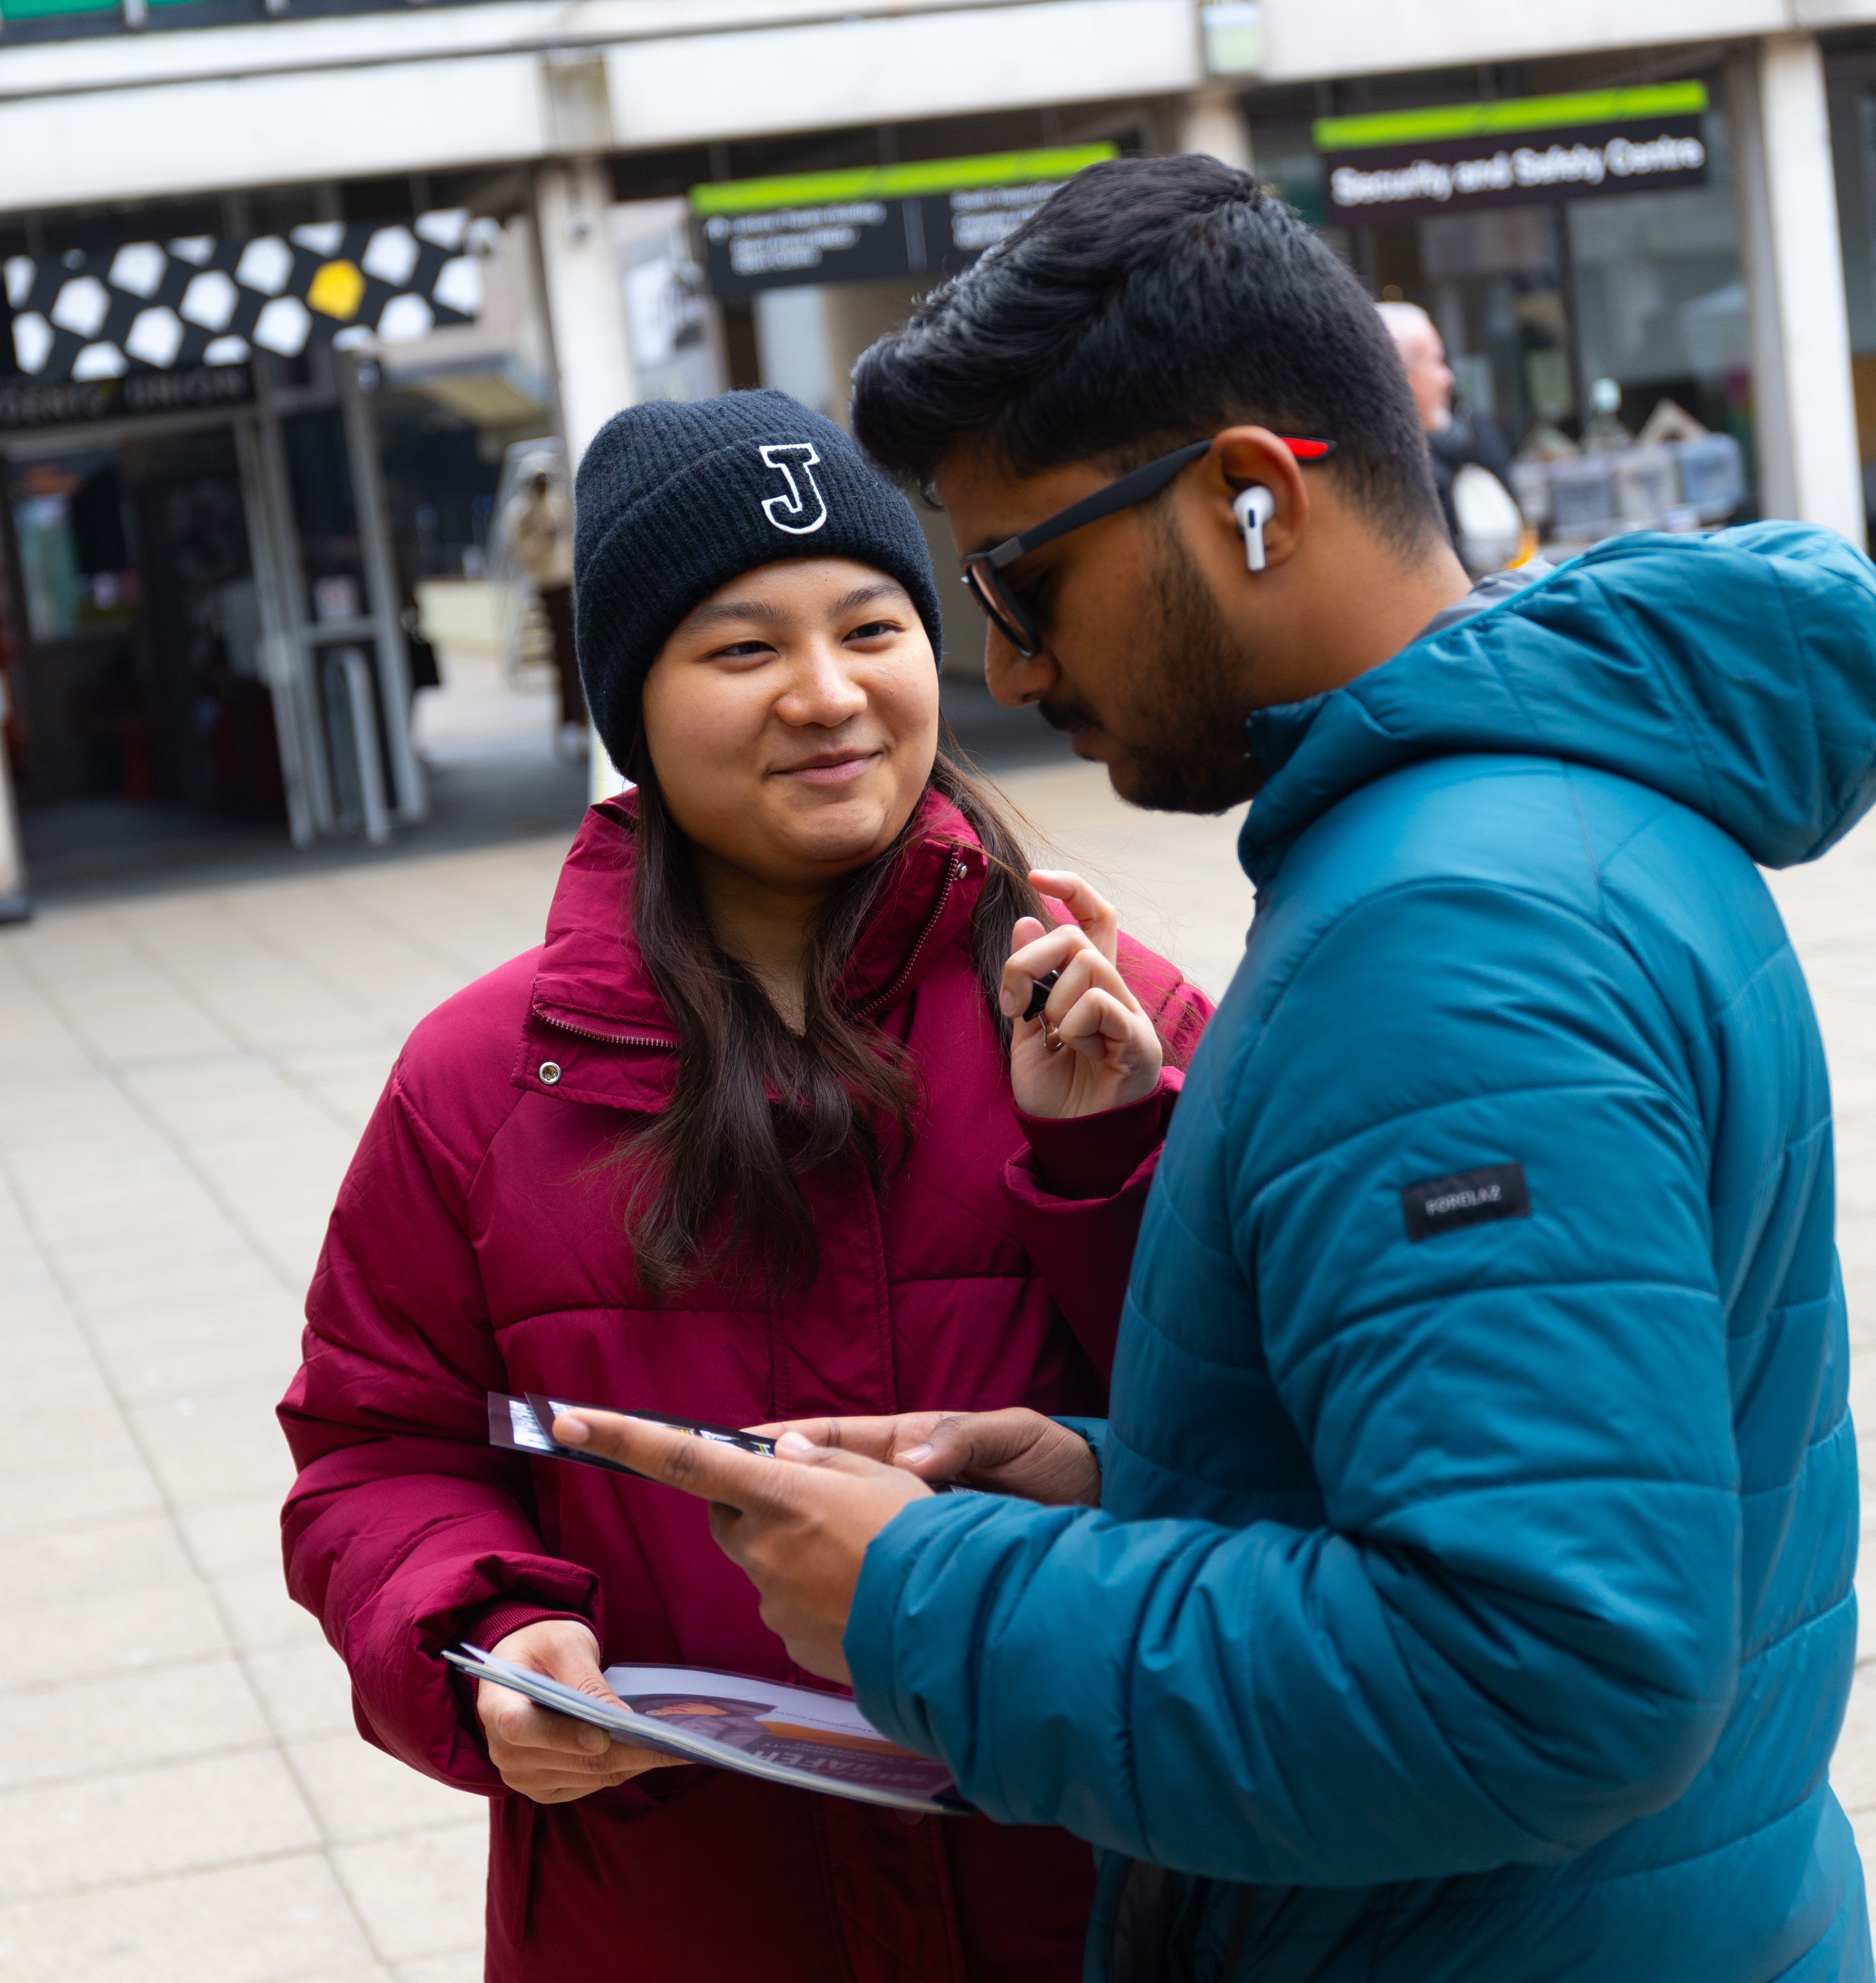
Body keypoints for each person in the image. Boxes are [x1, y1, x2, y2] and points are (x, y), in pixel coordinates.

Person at [549, 157, 1876, 1982]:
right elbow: (1525, 1488)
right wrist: (1127, 1482)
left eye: (1026, 580)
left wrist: (923, 1595)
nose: (1004, 665)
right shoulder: (1526, 821)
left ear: (1252, 499)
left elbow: (1550, 1670)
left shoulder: (1450, 937)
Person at [278, 390, 1212, 1983]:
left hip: (1080, 1891)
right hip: (675, 1910)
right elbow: (375, 1453)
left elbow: (1251, 1436)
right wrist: (491, 1643)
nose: (829, 695)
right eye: (742, 649)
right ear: (635, 702)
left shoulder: (1108, 1007)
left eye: (871, 624)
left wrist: (1111, 1150)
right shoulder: (485, 1080)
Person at [1378, 299, 1526, 573]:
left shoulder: (1466, 437)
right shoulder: (1393, 478)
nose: (1447, 378)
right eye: (1436, 362)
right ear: (1398, 376)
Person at [498, 446, 585, 757]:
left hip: (568, 584)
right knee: (565, 659)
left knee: (577, 659)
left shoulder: (558, 502)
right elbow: (521, 551)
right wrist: (542, 536)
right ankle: (575, 724)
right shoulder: (520, 512)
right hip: (549, 589)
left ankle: (581, 723)